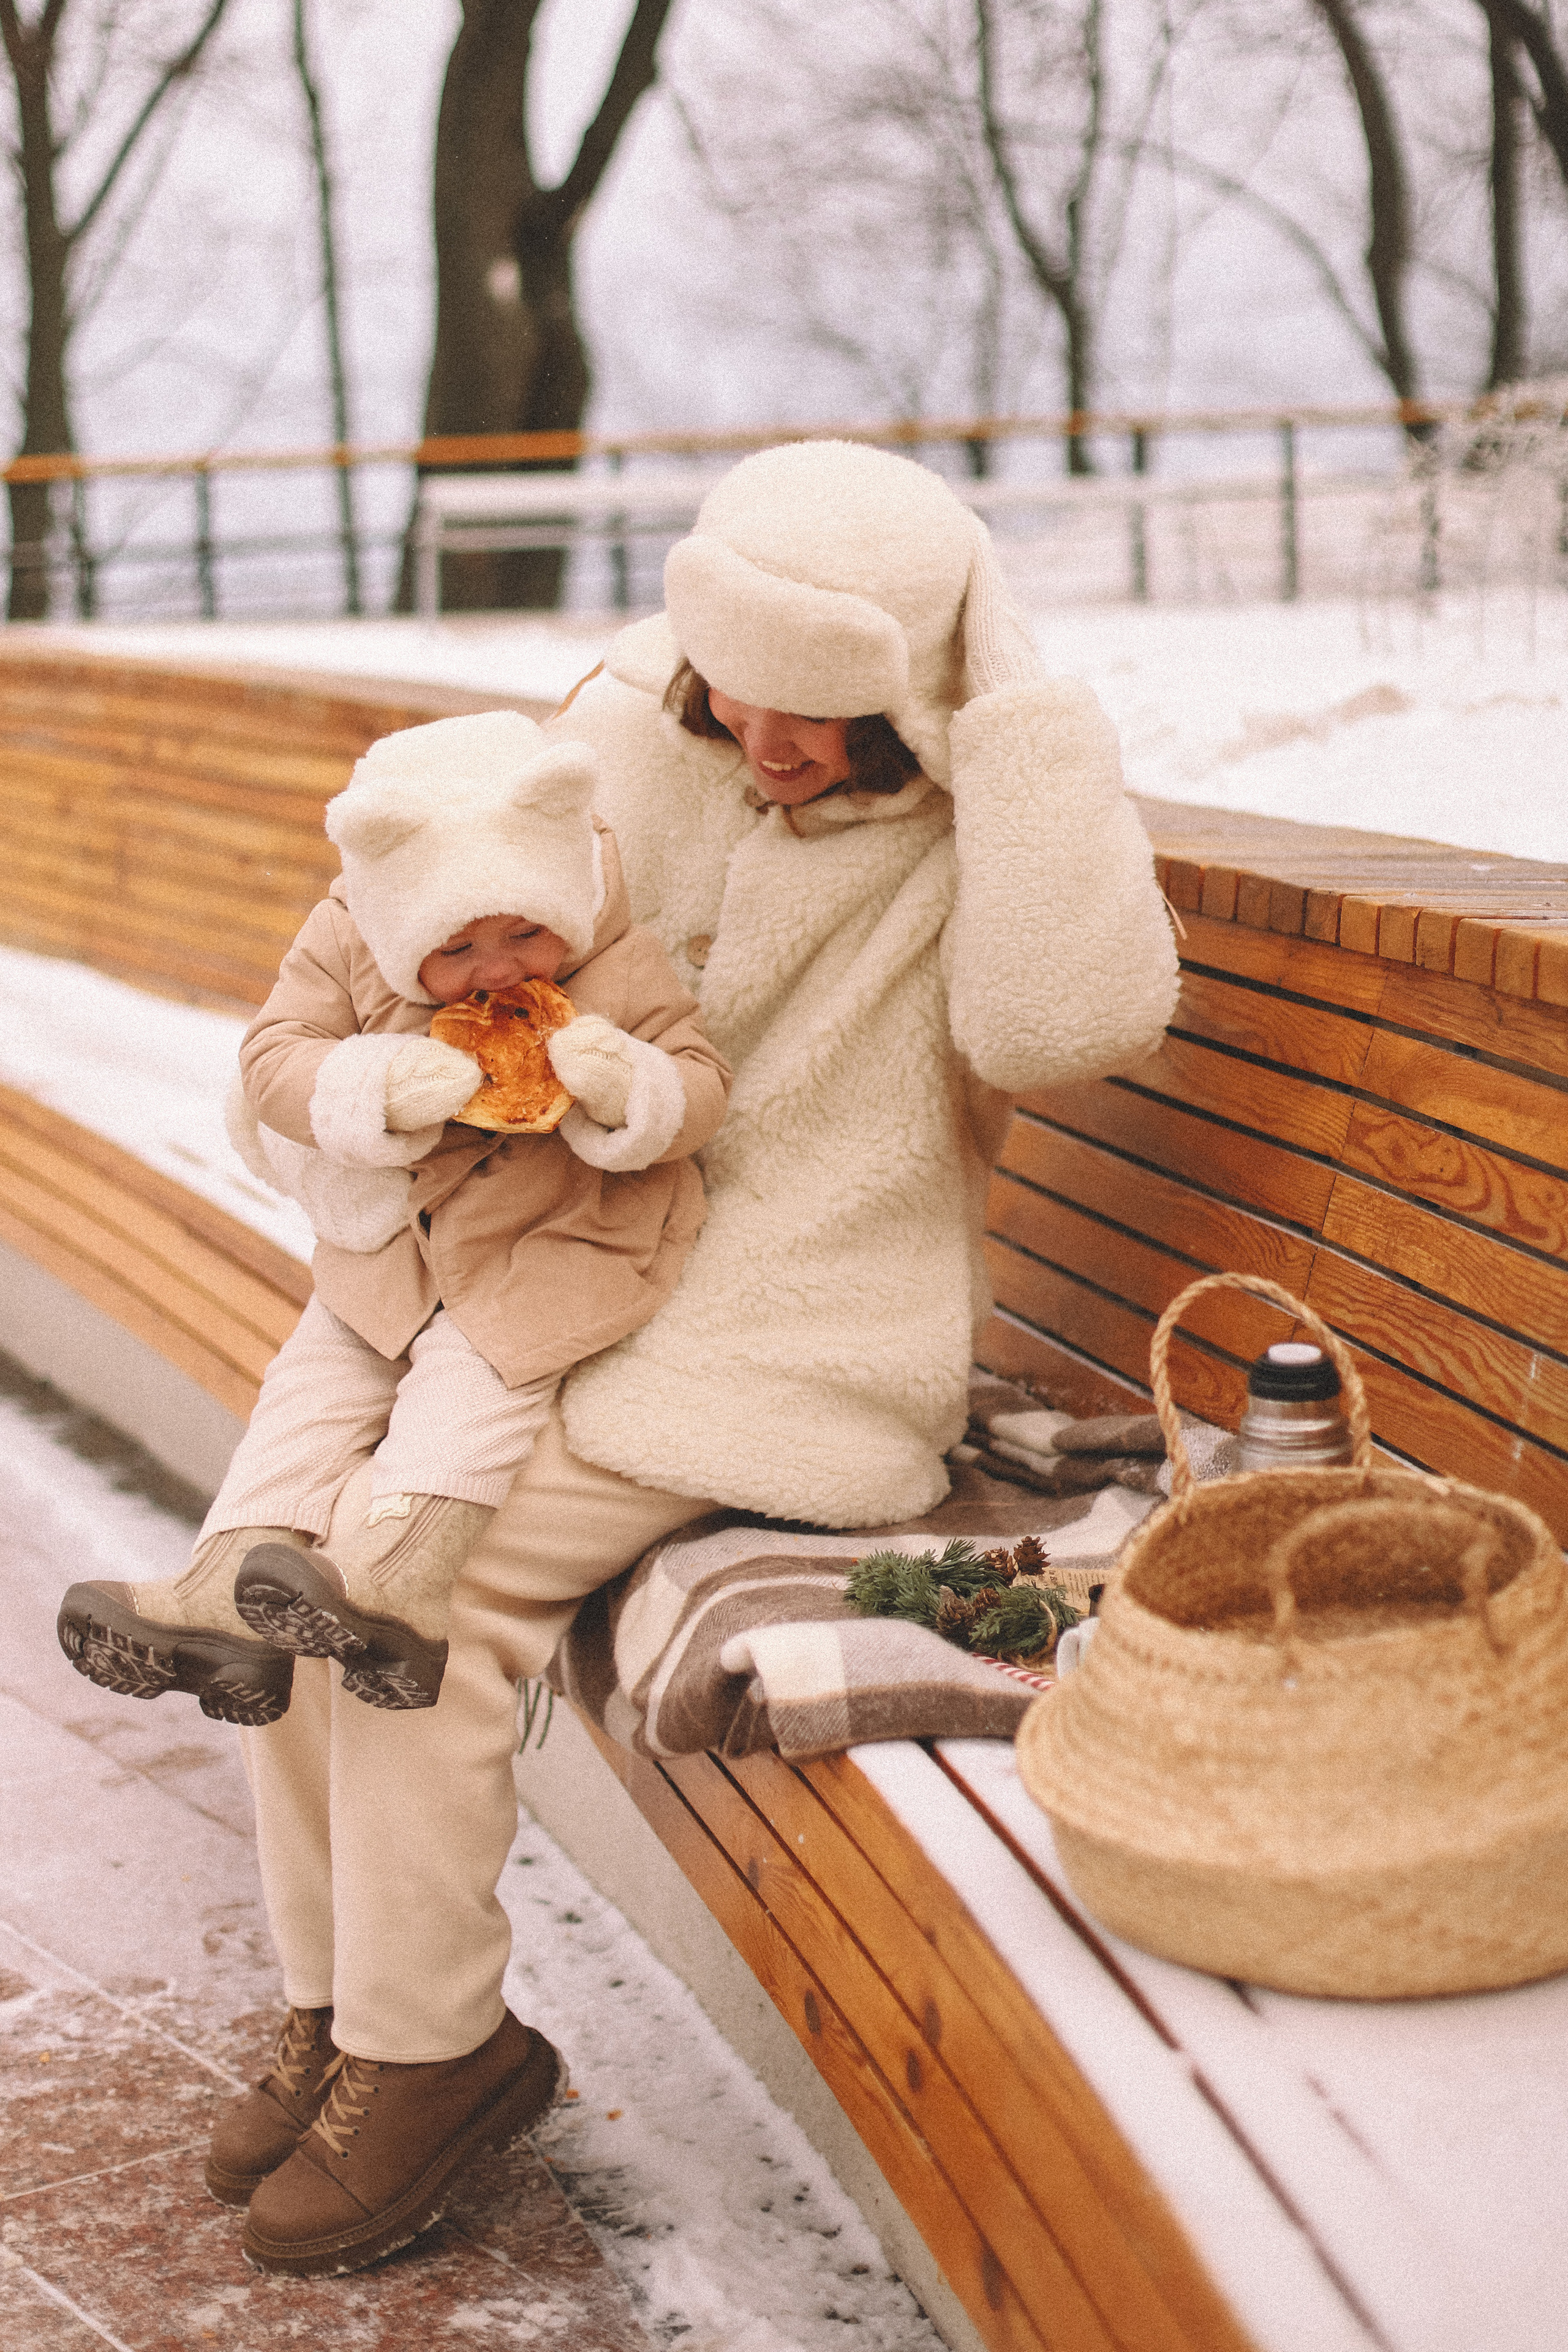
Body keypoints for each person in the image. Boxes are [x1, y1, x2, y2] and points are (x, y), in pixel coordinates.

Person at [186, 441, 1180, 2281]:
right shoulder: (637, 733)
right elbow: (420, 915)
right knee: (299, 1562)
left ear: (914, 693)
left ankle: (438, 2054)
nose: (768, 738)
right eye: (739, 683)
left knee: (430, 1589)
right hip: (552, 1280)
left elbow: (1064, 1027)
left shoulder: (975, 807)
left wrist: (1025, 720)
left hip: (792, 1334)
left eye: (826, 712)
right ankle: (341, 2012)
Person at [58, 706, 730, 1731]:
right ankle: (223, 1598)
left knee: (469, 1393)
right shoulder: (345, 937)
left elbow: (699, 1081)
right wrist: (370, 1083)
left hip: (554, 1244)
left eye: (524, 933)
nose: (499, 970)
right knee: (310, 1390)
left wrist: (624, 1083)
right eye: (457, 949)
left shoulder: (615, 954)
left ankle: (395, 1586)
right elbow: (275, 1056)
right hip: (396, 1242)